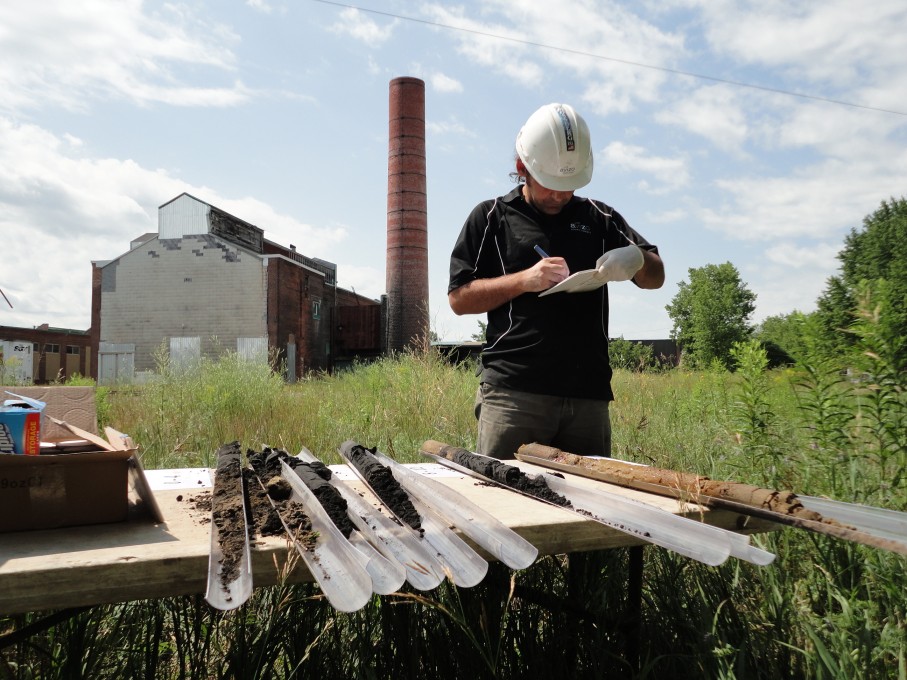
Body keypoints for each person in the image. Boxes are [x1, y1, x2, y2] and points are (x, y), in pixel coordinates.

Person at [448, 103, 665, 459]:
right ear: (522, 169)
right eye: (551, 185)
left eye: (570, 185)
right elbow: (459, 299)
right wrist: (523, 280)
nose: (560, 195)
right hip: (514, 395)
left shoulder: (599, 217)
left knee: (590, 507)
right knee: (506, 502)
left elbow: (656, 277)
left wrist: (638, 259)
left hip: (588, 396)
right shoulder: (490, 217)